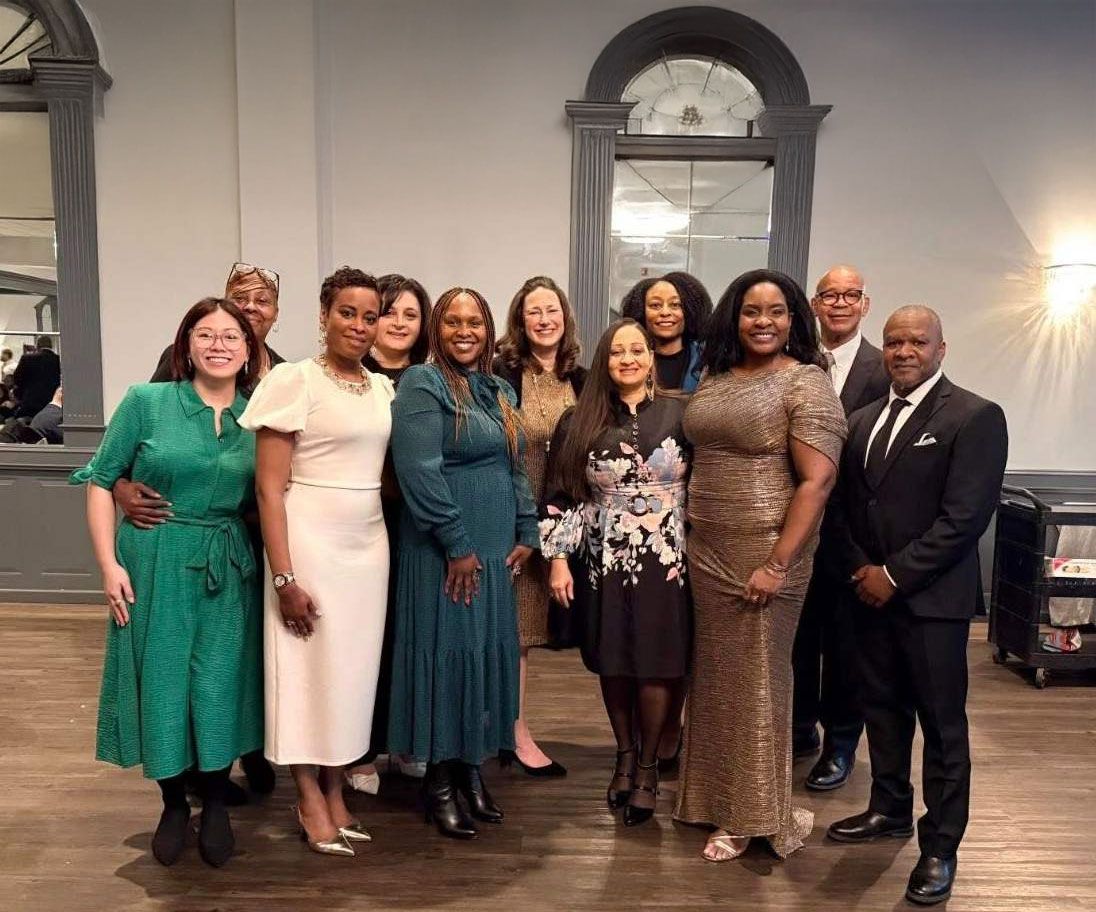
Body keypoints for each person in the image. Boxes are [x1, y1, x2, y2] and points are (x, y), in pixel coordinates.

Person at [70, 298, 264, 868]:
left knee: (219, 682)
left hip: (227, 565)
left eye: (232, 336)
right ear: (186, 345)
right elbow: (102, 480)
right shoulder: (147, 402)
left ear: (249, 350)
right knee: (161, 680)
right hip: (152, 561)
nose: (219, 344)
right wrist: (109, 565)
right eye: (206, 334)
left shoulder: (257, 419)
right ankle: (173, 801)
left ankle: (218, 800)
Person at [826, 305, 1008, 906]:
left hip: (932, 603)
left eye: (917, 341)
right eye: (896, 342)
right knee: (881, 710)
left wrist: (894, 576)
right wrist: (860, 570)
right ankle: (889, 809)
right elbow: (844, 509)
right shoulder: (861, 420)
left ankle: (939, 847)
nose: (905, 351)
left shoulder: (974, 416)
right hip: (866, 598)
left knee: (943, 727)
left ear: (941, 348)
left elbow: (966, 518)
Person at [675, 268, 846, 862]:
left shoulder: (806, 383)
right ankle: (709, 798)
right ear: (735, 317)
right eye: (752, 311)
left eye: (776, 311)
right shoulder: (717, 376)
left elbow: (818, 482)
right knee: (718, 679)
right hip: (707, 549)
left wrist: (777, 564)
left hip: (767, 554)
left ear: (795, 319)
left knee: (756, 681)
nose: (764, 321)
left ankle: (752, 814)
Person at [112, 261, 284, 800]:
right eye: (242, 298)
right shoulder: (179, 367)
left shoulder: (280, 378)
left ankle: (243, 757)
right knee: (176, 659)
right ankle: (185, 777)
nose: (252, 308)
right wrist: (119, 486)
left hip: (246, 535)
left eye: (263, 301)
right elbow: (152, 444)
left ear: (275, 315)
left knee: (234, 661)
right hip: (179, 536)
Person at [241, 267, 393, 857]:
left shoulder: (381, 388)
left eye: (369, 315)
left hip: (368, 542)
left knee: (350, 674)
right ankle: (307, 792)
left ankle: (336, 785)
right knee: (305, 670)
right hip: (309, 538)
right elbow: (268, 490)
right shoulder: (291, 380)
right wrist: (284, 577)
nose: (358, 325)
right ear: (324, 314)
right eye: (346, 312)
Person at [386, 287, 538, 840]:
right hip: (444, 549)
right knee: (449, 653)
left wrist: (527, 527)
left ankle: (471, 769)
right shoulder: (423, 385)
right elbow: (419, 470)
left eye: (475, 321)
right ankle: (440, 781)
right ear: (436, 328)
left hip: (495, 546)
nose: (465, 331)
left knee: (484, 652)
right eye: (453, 321)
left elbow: (515, 462)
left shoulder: (496, 388)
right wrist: (456, 542)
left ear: (489, 328)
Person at [541, 318, 690, 826]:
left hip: (669, 559)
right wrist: (558, 558)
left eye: (637, 350)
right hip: (602, 560)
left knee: (656, 662)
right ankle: (624, 754)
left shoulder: (682, 413)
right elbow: (561, 494)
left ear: (651, 357)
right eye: (616, 352)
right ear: (604, 362)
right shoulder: (578, 421)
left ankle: (648, 767)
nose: (627, 359)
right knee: (614, 662)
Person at [792, 265, 891, 790]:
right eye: (830, 295)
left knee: (847, 650)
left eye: (850, 295)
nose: (839, 303)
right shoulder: (795, 362)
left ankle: (841, 745)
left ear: (864, 304)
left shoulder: (885, 367)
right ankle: (801, 728)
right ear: (814, 303)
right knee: (798, 641)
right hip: (796, 531)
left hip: (853, 535)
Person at [492, 275, 586, 778]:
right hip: (512, 514)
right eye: (534, 312)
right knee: (513, 630)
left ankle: (510, 725)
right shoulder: (502, 373)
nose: (544, 319)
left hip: (564, 518)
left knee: (532, 630)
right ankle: (512, 729)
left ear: (565, 317)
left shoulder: (584, 377)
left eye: (552, 310)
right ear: (520, 321)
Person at [345, 273, 433, 794]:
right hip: (361, 523)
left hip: (417, 526)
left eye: (411, 315)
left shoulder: (431, 379)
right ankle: (360, 749)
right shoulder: (353, 376)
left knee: (411, 634)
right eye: (389, 312)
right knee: (366, 640)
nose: (398, 323)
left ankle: (407, 740)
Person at [620, 271, 712, 393]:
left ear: (690, 311)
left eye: (675, 305)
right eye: (655, 305)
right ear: (641, 312)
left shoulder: (708, 362)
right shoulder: (624, 361)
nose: (665, 312)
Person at [12, 334, 60, 419]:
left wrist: (20, 395)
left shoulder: (27, 358)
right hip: (52, 402)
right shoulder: (58, 360)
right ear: (51, 346)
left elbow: (16, 379)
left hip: (30, 401)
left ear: (37, 345)